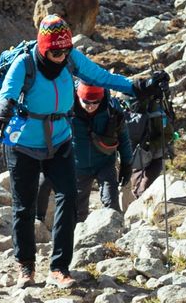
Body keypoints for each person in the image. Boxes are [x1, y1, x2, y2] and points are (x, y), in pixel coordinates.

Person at [0, 15, 160, 289]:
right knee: (24, 206)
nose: (61, 57)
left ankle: (59, 268)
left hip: (59, 140)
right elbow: (7, 93)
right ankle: (26, 266)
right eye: (55, 51)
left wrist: (137, 87)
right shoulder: (24, 64)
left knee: (69, 197)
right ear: (43, 46)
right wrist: (3, 108)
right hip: (23, 143)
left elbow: (101, 77)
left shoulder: (72, 58)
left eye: (65, 50)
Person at [38, 81, 132, 221]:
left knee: (111, 205)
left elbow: (123, 137)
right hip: (78, 166)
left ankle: (114, 239)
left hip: (105, 163)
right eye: (86, 102)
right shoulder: (66, 108)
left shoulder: (111, 109)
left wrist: (127, 164)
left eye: (95, 102)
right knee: (78, 212)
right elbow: (50, 133)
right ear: (78, 96)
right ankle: (79, 240)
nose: (91, 106)